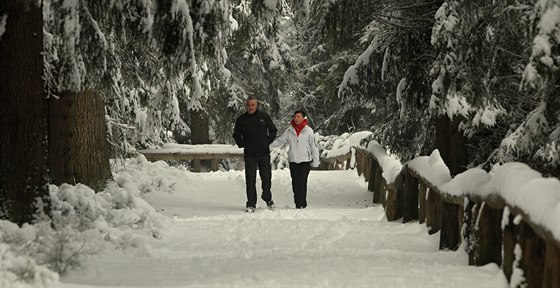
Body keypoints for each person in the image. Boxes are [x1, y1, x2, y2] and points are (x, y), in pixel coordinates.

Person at [233, 97, 278, 212]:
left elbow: (273, 130)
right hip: (250, 154)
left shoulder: (264, 117)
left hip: (264, 153)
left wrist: (266, 141)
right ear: (246, 105)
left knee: (266, 178)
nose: (250, 107)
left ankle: (267, 198)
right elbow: (236, 135)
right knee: (250, 179)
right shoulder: (241, 119)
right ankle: (251, 203)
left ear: (256, 105)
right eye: (248, 105)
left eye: (253, 105)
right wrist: (242, 144)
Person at [270, 110, 320, 209]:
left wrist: (316, 160)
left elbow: (313, 146)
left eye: (298, 117)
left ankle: (302, 203)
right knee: (295, 183)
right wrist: (268, 145)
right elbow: (280, 141)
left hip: (305, 160)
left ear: (303, 118)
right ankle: (297, 203)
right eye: (295, 117)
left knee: (302, 182)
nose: (296, 119)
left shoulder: (308, 131)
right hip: (293, 161)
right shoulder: (289, 131)